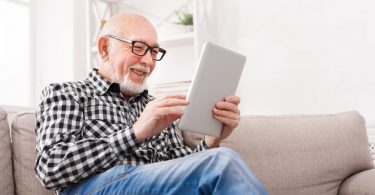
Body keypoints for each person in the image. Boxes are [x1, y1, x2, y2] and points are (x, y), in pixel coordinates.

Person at [35, 13, 266, 195]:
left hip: (154, 185)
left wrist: (212, 139)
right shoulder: (66, 93)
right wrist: (134, 133)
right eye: (138, 47)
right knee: (222, 162)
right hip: (95, 187)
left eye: (154, 51)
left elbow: (181, 171)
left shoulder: (157, 107)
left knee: (221, 155)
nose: (147, 61)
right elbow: (50, 168)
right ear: (105, 48)